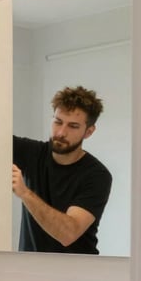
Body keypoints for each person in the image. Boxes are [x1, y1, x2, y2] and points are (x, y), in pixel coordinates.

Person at [12, 85, 112, 254]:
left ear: (88, 131)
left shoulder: (97, 175)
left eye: (72, 126)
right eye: (58, 122)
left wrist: (25, 193)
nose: (61, 132)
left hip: (77, 273)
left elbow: (68, 234)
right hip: (29, 269)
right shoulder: (31, 153)